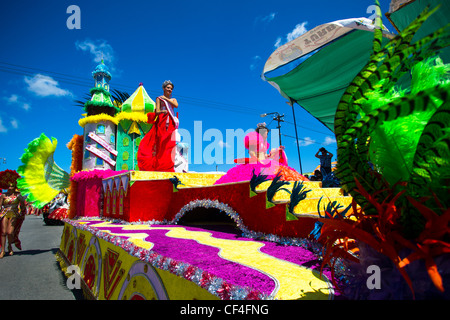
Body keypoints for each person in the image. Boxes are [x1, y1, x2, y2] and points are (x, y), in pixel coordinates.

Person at [214, 123, 308, 184]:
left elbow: (266, 155)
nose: (267, 134)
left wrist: (277, 150)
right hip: (257, 163)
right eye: (266, 133)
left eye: (267, 133)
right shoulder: (254, 141)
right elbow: (251, 151)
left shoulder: (265, 143)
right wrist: (256, 159)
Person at [137, 80, 179, 172]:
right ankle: (160, 164)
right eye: (168, 88)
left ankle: (168, 164)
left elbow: (176, 105)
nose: (169, 90)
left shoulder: (172, 99)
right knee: (161, 142)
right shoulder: (159, 99)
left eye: (171, 88)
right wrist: (162, 111)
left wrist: (166, 99)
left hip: (170, 121)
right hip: (162, 121)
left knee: (169, 143)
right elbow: (157, 111)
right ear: (163, 88)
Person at [0, 183, 26, 258]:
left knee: (10, 232)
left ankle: (10, 246)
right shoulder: (3, 195)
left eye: (11, 186)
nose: (10, 187)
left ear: (15, 187)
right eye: (8, 186)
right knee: (3, 232)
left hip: (14, 214)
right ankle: (2, 251)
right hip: (4, 214)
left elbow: (23, 206)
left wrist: (23, 214)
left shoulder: (18, 196)